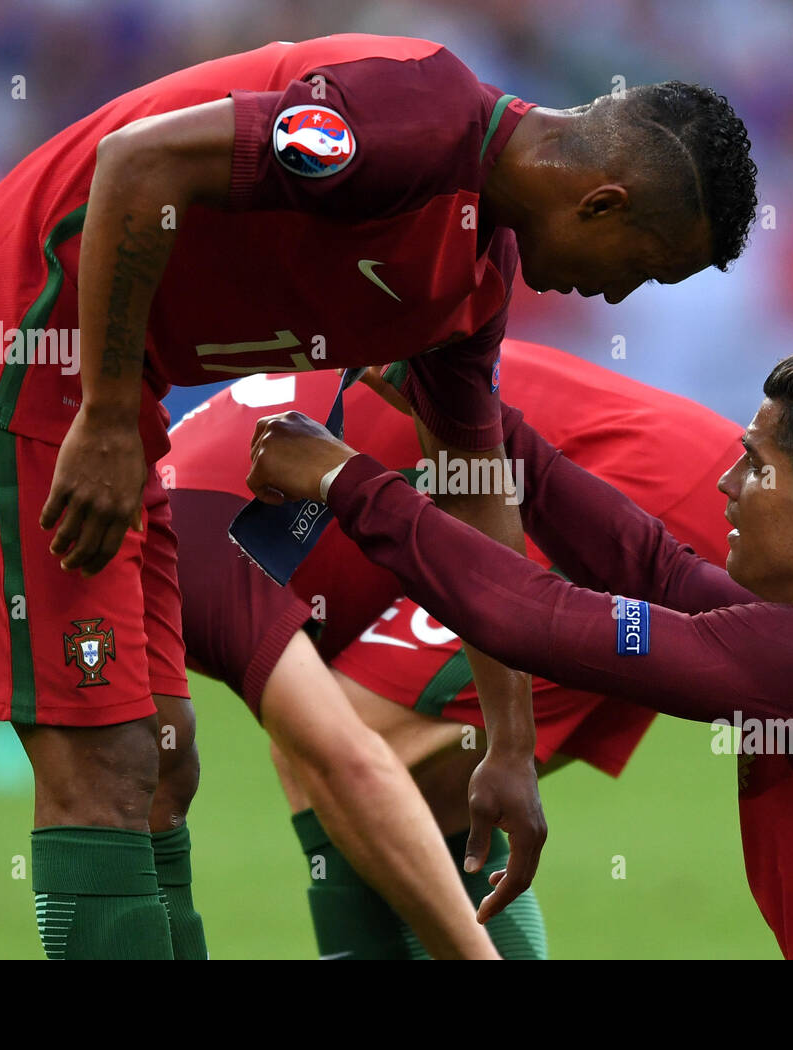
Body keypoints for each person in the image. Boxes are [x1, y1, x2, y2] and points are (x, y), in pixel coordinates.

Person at [0, 32, 758, 956]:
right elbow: (141, 160)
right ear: (604, 202)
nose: (618, 298)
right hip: (14, 360)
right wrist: (97, 415)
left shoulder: (474, 275)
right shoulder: (413, 121)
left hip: (114, 405)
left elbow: (475, 485)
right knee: (108, 766)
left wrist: (510, 740)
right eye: (643, 266)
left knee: (165, 760)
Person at [246, 343, 793, 960]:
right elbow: (654, 567)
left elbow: (532, 616)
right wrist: (478, 419)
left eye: (754, 469)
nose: (725, 484)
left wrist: (347, 483)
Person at [157, 339, 741, 957]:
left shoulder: (181, 561)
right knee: (405, 808)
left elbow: (348, 760)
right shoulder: (172, 514)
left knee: (354, 754)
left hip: (624, 497)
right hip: (663, 481)